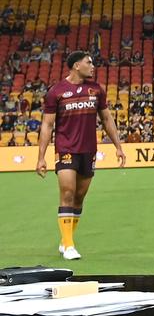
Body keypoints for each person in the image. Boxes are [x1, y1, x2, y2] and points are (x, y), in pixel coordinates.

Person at [36, 50, 126, 260]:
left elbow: (106, 119)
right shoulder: (56, 92)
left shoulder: (96, 90)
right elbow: (47, 125)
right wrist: (41, 157)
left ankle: (65, 239)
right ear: (77, 65)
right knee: (67, 192)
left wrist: (118, 146)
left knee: (79, 197)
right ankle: (69, 245)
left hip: (88, 150)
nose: (93, 66)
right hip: (66, 149)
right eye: (89, 62)